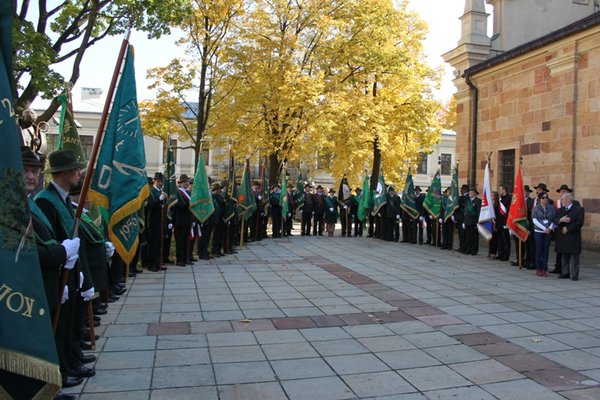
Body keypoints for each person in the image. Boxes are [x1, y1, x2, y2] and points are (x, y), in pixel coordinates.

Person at [22, 148, 82, 398]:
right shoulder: (42, 201)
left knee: (61, 327)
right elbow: (30, 249)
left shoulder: (32, 202)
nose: (32, 176)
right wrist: (61, 253)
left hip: (55, 275)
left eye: (35, 170)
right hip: (35, 282)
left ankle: (57, 375)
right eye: (26, 170)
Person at [35, 149, 96, 386]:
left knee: (71, 319)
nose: (79, 173)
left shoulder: (62, 198)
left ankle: (71, 361)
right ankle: (63, 369)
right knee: (60, 325)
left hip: (70, 268)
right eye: (76, 169)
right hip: (58, 270)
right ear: (65, 173)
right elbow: (52, 237)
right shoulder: (45, 200)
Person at [553, 192, 585, 281]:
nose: (562, 201)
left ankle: (574, 274)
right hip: (562, 236)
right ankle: (565, 272)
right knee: (564, 254)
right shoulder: (560, 210)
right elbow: (554, 219)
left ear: (568, 200)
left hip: (573, 236)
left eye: (563, 199)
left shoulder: (579, 209)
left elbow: (579, 222)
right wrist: (560, 220)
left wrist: (568, 229)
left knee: (574, 256)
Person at [145, 172, 165, 271]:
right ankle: (151, 264)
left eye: (161, 181)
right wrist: (159, 200)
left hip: (161, 221)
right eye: (158, 181)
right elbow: (150, 206)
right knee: (153, 244)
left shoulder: (163, 192)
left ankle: (158, 262)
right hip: (153, 221)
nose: (160, 183)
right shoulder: (151, 192)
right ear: (154, 181)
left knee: (159, 243)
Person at [532, 192, 555, 276]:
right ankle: (539, 268)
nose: (545, 199)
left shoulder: (551, 208)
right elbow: (534, 220)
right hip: (539, 232)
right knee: (539, 250)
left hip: (548, 231)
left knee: (546, 251)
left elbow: (554, 219)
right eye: (543, 198)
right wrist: (544, 228)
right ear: (539, 199)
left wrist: (550, 228)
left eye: (546, 197)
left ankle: (545, 269)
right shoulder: (536, 208)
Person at [172, 174, 192, 266]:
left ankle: (185, 258)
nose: (187, 183)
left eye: (187, 181)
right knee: (180, 241)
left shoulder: (188, 193)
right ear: (181, 183)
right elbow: (178, 206)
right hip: (179, 221)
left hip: (187, 220)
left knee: (185, 241)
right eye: (185, 182)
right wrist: (189, 204)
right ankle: (179, 259)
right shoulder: (178, 192)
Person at [464, 186, 481, 255]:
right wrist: (464, 221)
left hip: (473, 222)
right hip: (467, 221)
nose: (470, 194)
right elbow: (465, 212)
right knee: (468, 237)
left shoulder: (478, 201)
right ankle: (469, 249)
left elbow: (478, 212)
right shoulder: (468, 201)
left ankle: (474, 250)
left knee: (474, 237)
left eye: (471, 192)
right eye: (469, 192)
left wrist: (477, 222)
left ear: (475, 193)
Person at [496, 184, 511, 262]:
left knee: (505, 239)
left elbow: (508, 211)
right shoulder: (500, 199)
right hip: (499, 222)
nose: (499, 191)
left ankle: (506, 255)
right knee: (499, 239)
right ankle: (500, 254)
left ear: (504, 190)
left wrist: (507, 223)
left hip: (505, 222)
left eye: (500, 189)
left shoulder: (509, 198)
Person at [455, 184, 469, 252]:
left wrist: (458, 204)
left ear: (464, 190)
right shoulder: (461, 197)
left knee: (464, 234)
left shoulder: (468, 197)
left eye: (461, 189)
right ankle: (461, 246)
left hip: (463, 218)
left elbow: (464, 206)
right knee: (460, 234)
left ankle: (464, 247)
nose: (460, 190)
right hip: (459, 218)